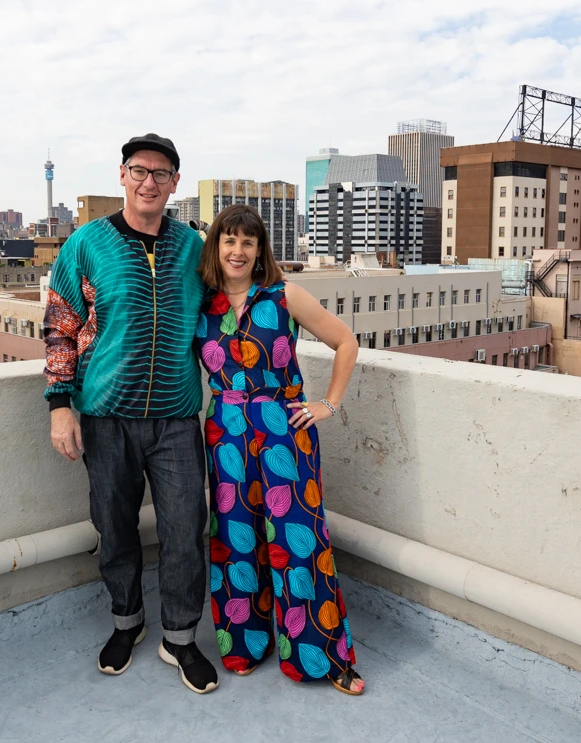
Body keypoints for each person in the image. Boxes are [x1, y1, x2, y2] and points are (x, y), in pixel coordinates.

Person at [43, 133, 218, 694]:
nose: (149, 182)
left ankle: (180, 637)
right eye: (139, 170)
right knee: (114, 526)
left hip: (176, 416)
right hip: (105, 413)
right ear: (122, 175)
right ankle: (127, 622)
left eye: (161, 173)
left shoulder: (193, 247)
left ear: (174, 183)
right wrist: (60, 406)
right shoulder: (87, 243)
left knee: (185, 528)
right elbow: (60, 327)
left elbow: (225, 308)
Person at [195, 204, 365, 695]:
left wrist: (328, 404)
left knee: (300, 543)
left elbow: (346, 342)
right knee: (234, 542)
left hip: (284, 432)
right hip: (226, 433)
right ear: (216, 246)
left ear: (259, 249)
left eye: (247, 242)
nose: (238, 250)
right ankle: (245, 646)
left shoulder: (284, 294)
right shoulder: (201, 302)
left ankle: (324, 659)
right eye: (229, 240)